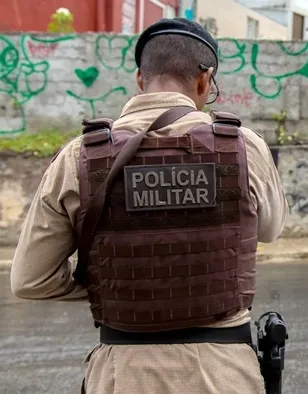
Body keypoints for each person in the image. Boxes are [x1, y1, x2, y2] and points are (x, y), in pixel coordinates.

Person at [10, 18, 288, 394]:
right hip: (224, 375)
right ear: (205, 81)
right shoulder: (243, 147)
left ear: (141, 79)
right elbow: (271, 230)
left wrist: (110, 284)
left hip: (121, 376)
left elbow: (31, 281)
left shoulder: (79, 157)